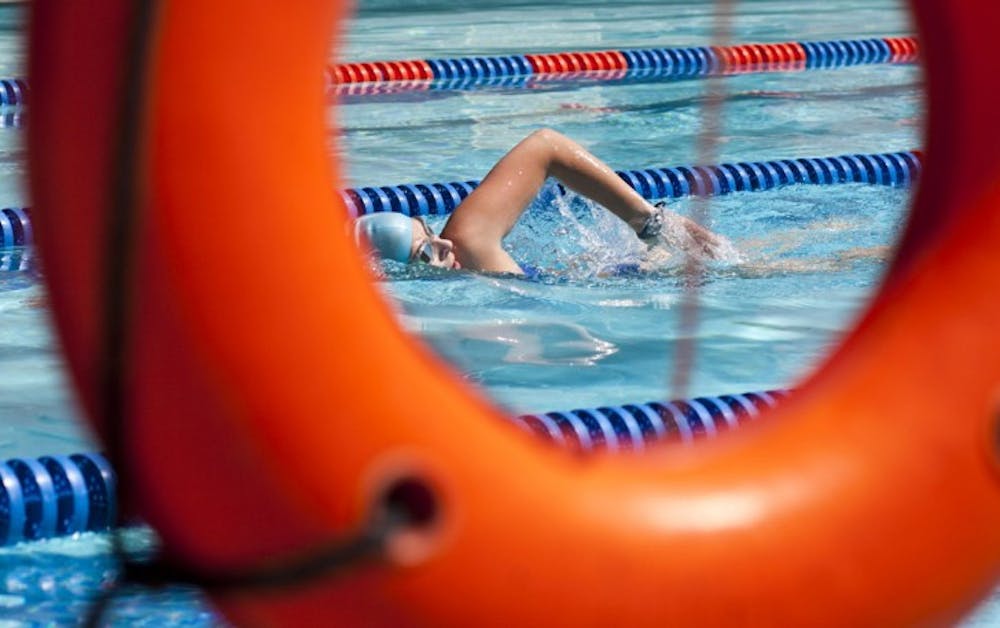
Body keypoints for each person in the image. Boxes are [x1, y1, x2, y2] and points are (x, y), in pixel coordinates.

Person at [353, 128, 730, 275]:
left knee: (749, 266)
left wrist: (651, 224)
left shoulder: (467, 242)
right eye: (425, 253)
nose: (445, 245)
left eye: (431, 232)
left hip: (636, 281)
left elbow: (545, 146)